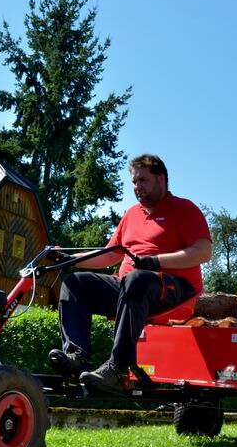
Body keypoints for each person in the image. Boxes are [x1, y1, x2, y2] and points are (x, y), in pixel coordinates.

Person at [49, 154, 212, 392]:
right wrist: (70, 260)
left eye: (143, 180)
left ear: (161, 179)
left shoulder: (184, 209)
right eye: (134, 182)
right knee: (75, 283)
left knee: (136, 280)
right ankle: (77, 357)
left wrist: (155, 262)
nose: (137, 187)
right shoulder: (131, 214)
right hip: (132, 288)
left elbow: (203, 252)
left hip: (176, 290)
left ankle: (117, 368)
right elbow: (109, 255)